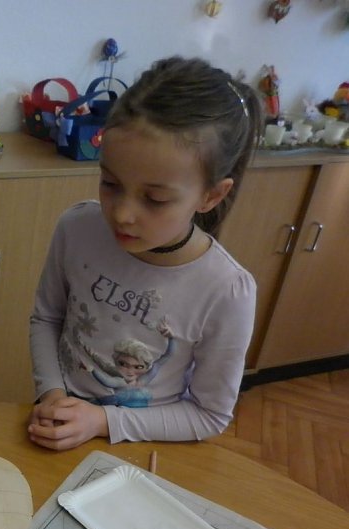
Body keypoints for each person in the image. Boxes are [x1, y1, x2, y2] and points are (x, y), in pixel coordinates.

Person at [28, 56, 262, 451]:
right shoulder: (77, 228)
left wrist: (102, 420)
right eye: (110, 183)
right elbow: (47, 317)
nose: (122, 214)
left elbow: (209, 415)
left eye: (154, 199)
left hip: (143, 447)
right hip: (60, 428)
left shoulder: (226, 289)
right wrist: (51, 394)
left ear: (211, 195)